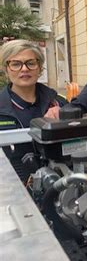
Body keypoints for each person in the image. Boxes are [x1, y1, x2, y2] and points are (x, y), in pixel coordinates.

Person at [0, 39, 67, 181]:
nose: (24, 69)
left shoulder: (58, 103)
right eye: (16, 64)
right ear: (6, 69)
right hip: (13, 190)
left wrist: (66, 119)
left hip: (60, 187)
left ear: (40, 67)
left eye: (30, 63)